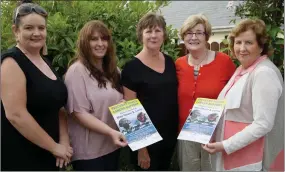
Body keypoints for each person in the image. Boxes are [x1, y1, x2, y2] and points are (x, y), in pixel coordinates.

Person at [202, 19, 284, 171]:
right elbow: (230, 110)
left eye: (248, 42)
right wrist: (201, 118)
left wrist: (225, 145)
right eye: (238, 42)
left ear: (261, 46)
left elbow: (263, 124)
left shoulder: (263, 73)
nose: (242, 48)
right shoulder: (242, 69)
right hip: (233, 158)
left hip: (250, 160)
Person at [1, 1, 73, 171]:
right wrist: (54, 147)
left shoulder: (46, 62)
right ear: (16, 31)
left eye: (41, 28)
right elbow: (16, 115)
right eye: (29, 28)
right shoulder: (11, 61)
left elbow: (59, 107)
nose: (36, 33)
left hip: (52, 154)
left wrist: (63, 141)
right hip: (23, 155)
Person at [64, 20, 128, 171]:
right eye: (94, 39)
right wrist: (110, 132)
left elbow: (123, 99)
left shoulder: (114, 70)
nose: (100, 43)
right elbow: (78, 113)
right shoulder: (76, 72)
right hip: (89, 153)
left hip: (112, 146)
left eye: (104, 38)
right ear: (84, 43)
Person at [175, 14, 236, 171]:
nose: (193, 37)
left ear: (206, 36)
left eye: (199, 33)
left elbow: (236, 94)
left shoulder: (224, 62)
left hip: (215, 133)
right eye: (189, 33)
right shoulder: (179, 64)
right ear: (183, 37)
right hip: (186, 134)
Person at [121, 12, 179, 171]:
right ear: (141, 35)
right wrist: (142, 149)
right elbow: (130, 112)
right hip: (146, 143)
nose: (153, 35)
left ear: (164, 34)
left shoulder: (169, 61)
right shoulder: (131, 68)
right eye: (148, 31)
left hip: (169, 138)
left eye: (157, 30)